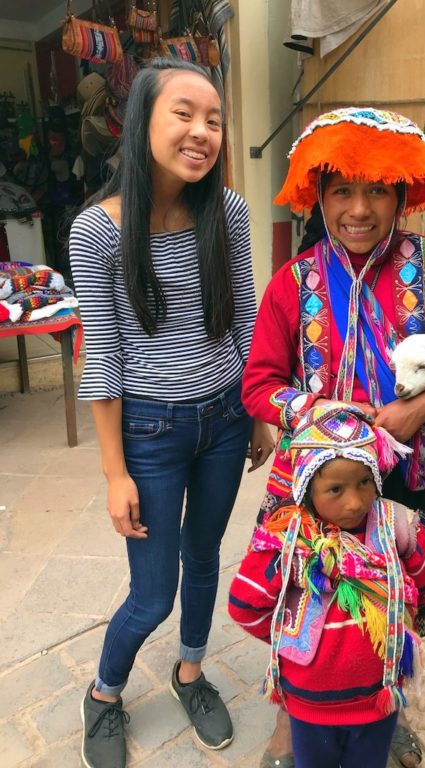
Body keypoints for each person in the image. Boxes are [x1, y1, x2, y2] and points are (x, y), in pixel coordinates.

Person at [241, 107, 425, 768]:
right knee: (304, 604)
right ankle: (293, 718)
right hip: (316, 489)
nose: (359, 209)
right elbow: (258, 384)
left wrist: (423, 408)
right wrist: (321, 407)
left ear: (402, 195)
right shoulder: (294, 283)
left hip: (404, 484)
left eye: (377, 191)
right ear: (318, 196)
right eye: (343, 191)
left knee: (402, 599)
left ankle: (385, 708)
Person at [69, 59, 273, 768]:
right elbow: (102, 358)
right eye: (183, 113)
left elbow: (245, 317)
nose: (202, 132)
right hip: (149, 434)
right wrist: (113, 472)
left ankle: (191, 672)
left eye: (214, 119)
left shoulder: (229, 211)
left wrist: (259, 411)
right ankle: (102, 695)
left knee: (205, 557)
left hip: (223, 420)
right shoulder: (95, 231)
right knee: (151, 592)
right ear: (142, 124)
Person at [229, 402, 425, 768]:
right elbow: (244, 605)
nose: (355, 501)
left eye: (364, 482)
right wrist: (290, 636)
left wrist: (395, 609)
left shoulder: (396, 525)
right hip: (310, 703)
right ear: (307, 488)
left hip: (379, 698)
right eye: (335, 489)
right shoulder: (286, 541)